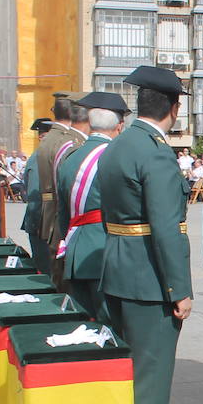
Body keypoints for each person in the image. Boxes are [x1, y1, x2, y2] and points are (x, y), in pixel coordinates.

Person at [98, 66, 194, 404]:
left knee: (126, 372)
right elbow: (166, 228)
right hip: (150, 279)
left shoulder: (120, 145)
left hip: (118, 266)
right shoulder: (155, 151)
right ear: (174, 108)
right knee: (150, 377)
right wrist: (180, 290)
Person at [56, 92, 129, 319]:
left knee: (84, 325)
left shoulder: (70, 157)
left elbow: (62, 211)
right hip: (104, 248)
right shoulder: (114, 156)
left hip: (76, 247)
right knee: (109, 327)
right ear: (120, 125)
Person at [35, 93, 86, 290]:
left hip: (50, 209)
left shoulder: (51, 138)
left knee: (58, 274)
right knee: (63, 279)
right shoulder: (69, 142)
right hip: (61, 212)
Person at [20, 119, 55, 272]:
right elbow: (36, 195)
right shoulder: (39, 158)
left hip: (45, 221)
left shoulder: (46, 155)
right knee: (45, 270)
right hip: (41, 221)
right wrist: (42, 222)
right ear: (42, 137)